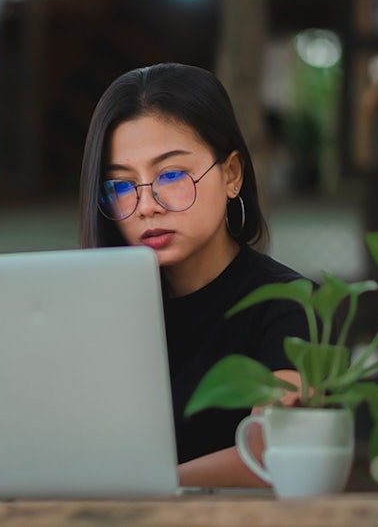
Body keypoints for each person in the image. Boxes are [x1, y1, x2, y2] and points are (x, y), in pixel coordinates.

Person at [78, 63, 308, 487]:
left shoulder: (290, 303)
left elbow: (270, 451)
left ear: (232, 175)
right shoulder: (92, 312)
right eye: (122, 186)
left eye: (170, 175)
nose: (146, 206)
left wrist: (147, 487)